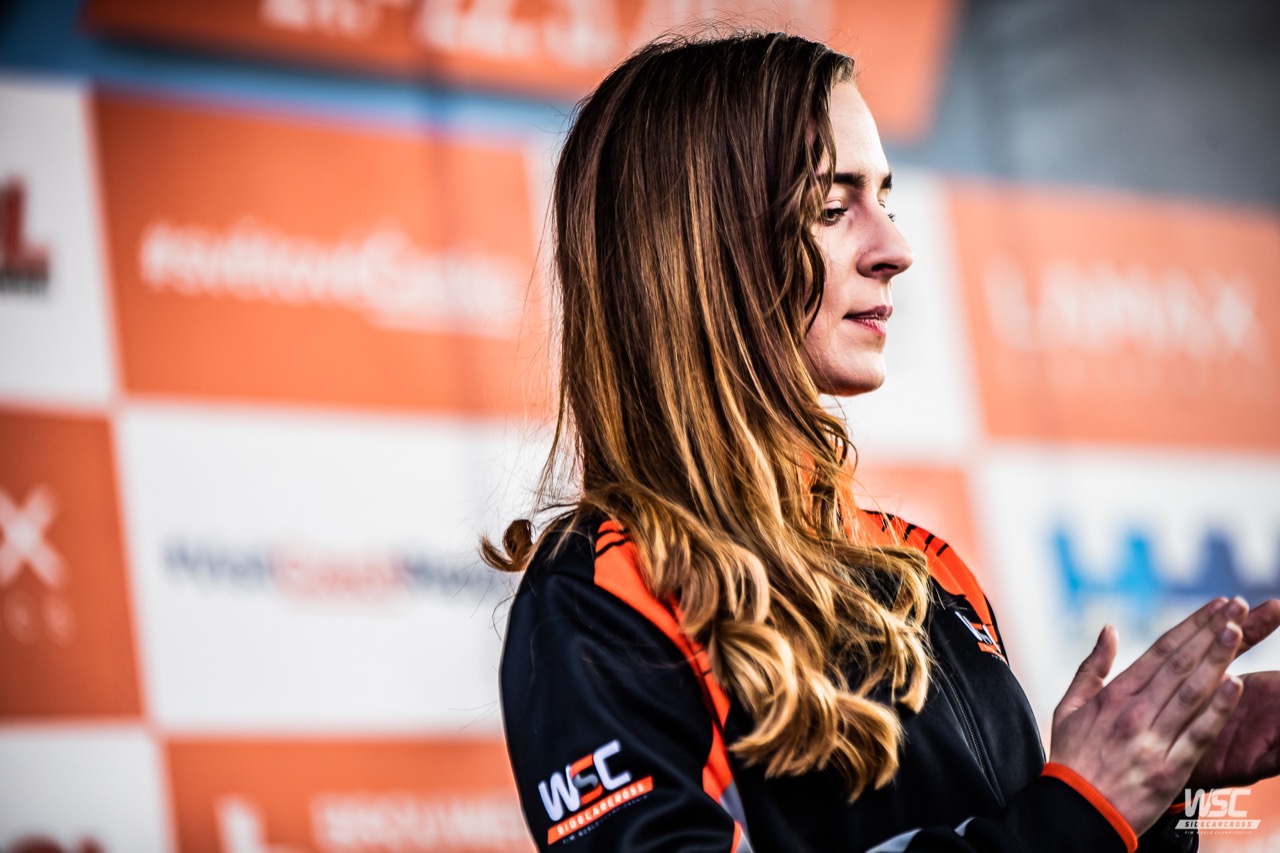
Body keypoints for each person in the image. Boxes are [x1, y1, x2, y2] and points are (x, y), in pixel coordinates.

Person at [485, 30, 1280, 852]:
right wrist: (1075, 814)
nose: (896, 250)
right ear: (698, 249)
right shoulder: (605, 591)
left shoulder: (930, 569)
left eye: (886, 201)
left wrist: (1154, 789)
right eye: (833, 208)